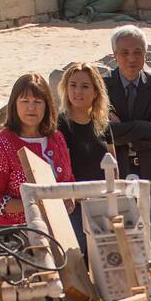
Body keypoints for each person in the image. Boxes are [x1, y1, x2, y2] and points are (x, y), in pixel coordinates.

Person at [104, 26, 151, 255]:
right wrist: (145, 127)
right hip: (117, 176)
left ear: (145, 54)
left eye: (137, 52)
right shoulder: (102, 87)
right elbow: (103, 133)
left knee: (150, 246)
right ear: (114, 55)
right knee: (118, 248)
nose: (131, 59)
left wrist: (124, 132)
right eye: (124, 53)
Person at [0, 73, 74, 228]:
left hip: (59, 229)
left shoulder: (56, 138)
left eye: (38, 101)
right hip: (17, 234)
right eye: (25, 101)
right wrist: (35, 204)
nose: (31, 107)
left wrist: (70, 199)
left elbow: (69, 180)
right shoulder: (2, 145)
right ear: (14, 104)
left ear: (47, 105)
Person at [57, 61, 113, 258]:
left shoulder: (102, 123)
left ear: (96, 92)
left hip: (102, 205)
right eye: (73, 85)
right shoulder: (60, 124)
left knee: (105, 263)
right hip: (74, 207)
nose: (77, 92)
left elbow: (112, 164)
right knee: (79, 261)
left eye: (85, 86)